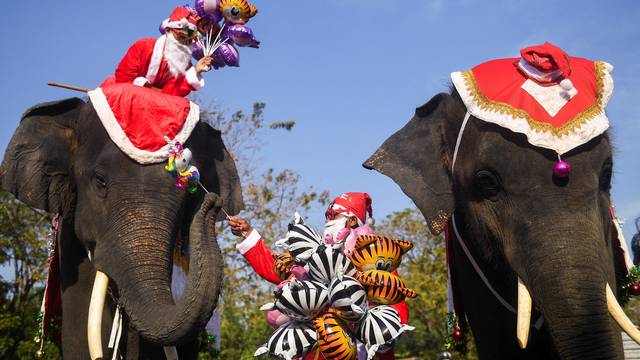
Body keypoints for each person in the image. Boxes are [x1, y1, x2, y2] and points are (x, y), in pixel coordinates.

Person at [229, 192, 408, 360]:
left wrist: (382, 332)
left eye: (333, 215)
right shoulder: (312, 256)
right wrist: (248, 234)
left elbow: (396, 308)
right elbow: (273, 267)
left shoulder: (376, 262)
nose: (326, 220)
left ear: (352, 220)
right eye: (326, 215)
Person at [103, 6, 213, 97]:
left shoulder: (184, 65)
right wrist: (145, 90)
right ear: (168, 31)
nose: (184, 41)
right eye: (181, 35)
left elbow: (172, 95)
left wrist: (196, 71)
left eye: (189, 38)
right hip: (127, 95)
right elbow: (124, 77)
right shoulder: (143, 46)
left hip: (156, 106)